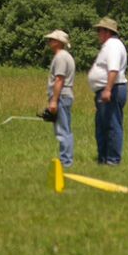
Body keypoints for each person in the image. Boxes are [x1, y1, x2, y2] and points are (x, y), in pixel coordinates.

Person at [87, 18, 128, 166]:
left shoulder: (113, 46)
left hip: (112, 90)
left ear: (107, 32)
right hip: (106, 91)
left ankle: (112, 159)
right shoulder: (108, 46)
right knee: (102, 126)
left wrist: (108, 89)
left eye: (99, 30)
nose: (97, 33)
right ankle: (103, 158)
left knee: (112, 125)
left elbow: (113, 69)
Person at [44, 30, 75, 168]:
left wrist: (54, 100)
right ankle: (65, 159)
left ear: (57, 42)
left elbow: (59, 79)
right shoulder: (64, 56)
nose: (48, 43)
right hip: (63, 96)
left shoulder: (61, 57)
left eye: (50, 40)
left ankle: (65, 161)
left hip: (61, 96)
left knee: (62, 130)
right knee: (64, 128)